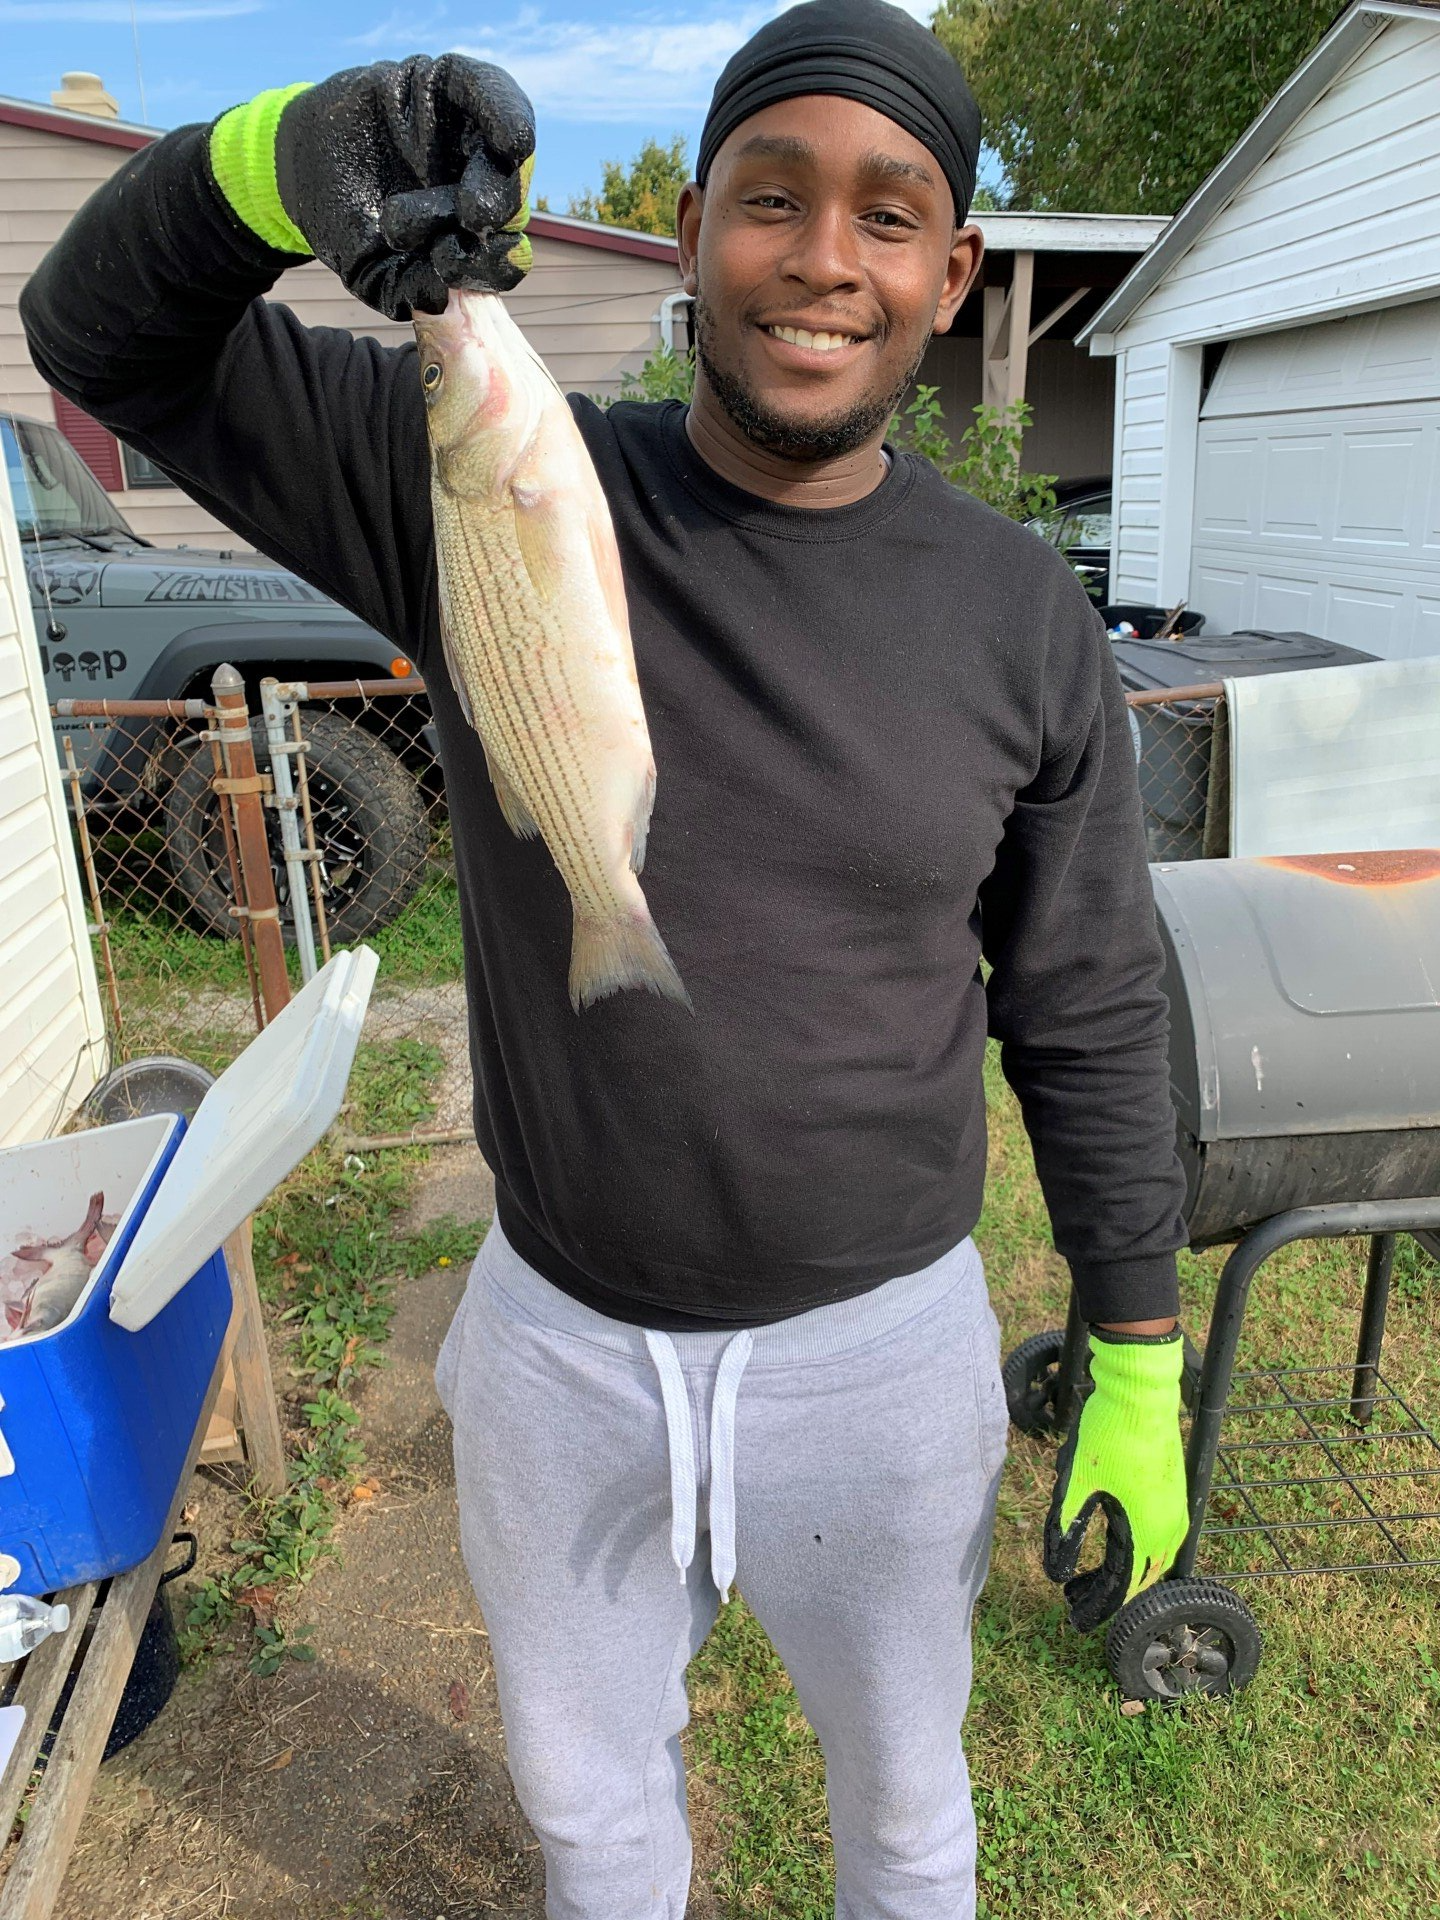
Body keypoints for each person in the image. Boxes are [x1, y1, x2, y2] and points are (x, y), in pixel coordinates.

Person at [22, 5, 1191, 1911]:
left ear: (950, 273)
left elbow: (1089, 998)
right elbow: (102, 332)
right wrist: (274, 158)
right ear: (689, 233)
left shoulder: (1016, 617)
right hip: (562, 1345)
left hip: (882, 1353)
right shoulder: (494, 476)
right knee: (586, 1819)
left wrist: (1133, 1347)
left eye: (888, 215)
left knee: (905, 1814)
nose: (825, 258)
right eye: (771, 200)